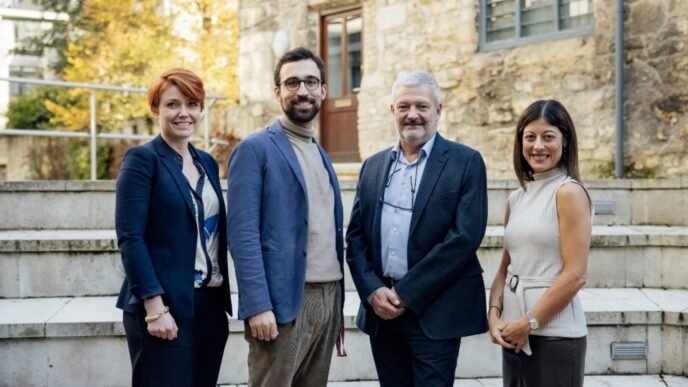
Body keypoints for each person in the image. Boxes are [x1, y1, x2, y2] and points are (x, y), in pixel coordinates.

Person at [346, 71, 488, 387]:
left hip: (435, 311)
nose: (413, 115)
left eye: (422, 106)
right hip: (381, 312)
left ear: (438, 110)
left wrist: (406, 293)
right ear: (392, 110)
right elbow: (355, 237)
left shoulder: (466, 162)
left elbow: (465, 237)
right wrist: (372, 291)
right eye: (404, 106)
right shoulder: (373, 165)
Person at [226, 47, 345, 387]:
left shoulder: (319, 151)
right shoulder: (255, 149)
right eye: (292, 83)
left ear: (323, 89)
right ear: (277, 92)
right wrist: (257, 306)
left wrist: (333, 303)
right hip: (283, 302)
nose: (302, 91)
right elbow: (243, 233)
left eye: (311, 82)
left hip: (329, 296)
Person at [115, 68, 232, 387]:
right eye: (172, 104)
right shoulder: (142, 159)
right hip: (163, 305)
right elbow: (130, 238)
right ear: (156, 109)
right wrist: (154, 307)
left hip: (209, 307)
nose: (184, 113)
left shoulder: (207, 162)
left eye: (192, 104)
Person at [487, 99, 592, 387]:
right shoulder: (516, 197)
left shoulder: (568, 193)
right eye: (530, 137)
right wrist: (494, 315)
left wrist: (529, 322)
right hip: (513, 331)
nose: (538, 146)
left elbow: (575, 275)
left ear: (565, 141)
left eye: (548, 137)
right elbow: (505, 269)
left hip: (554, 335)